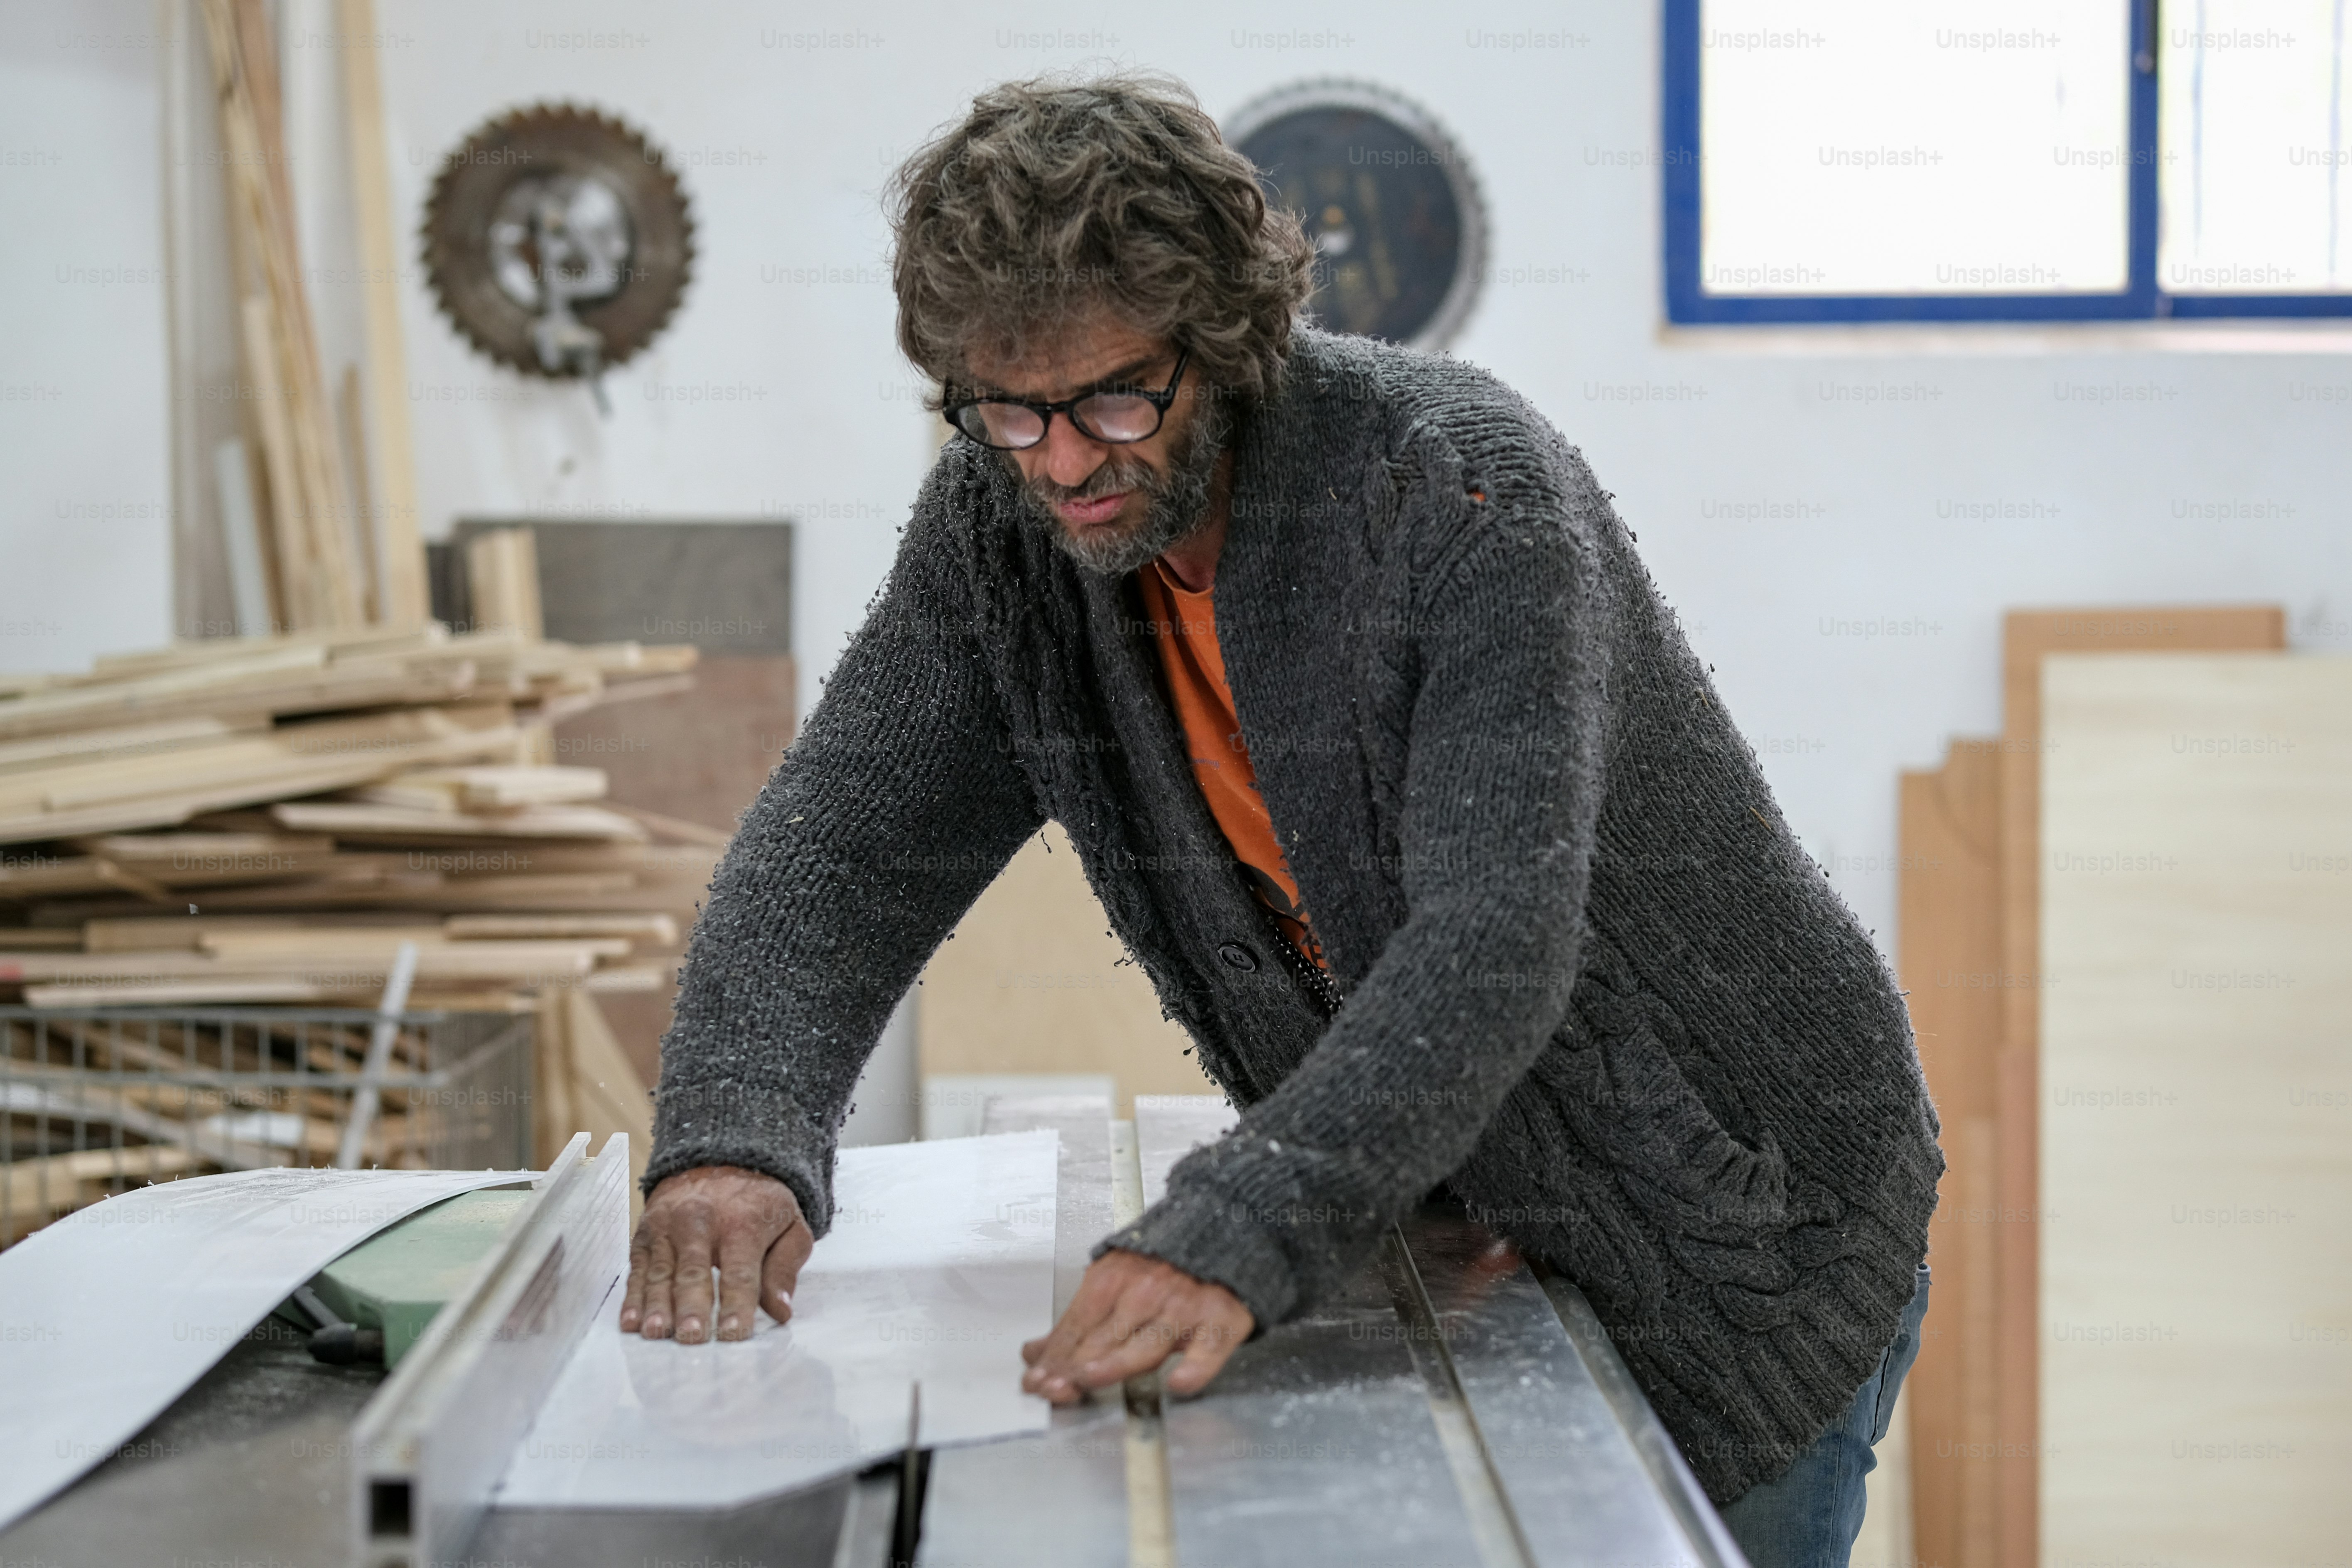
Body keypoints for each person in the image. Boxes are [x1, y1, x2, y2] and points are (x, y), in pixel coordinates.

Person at [616, 72, 1942, 1568]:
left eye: (1116, 397)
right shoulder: (1006, 533)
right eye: (1005, 408)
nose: (1060, 461)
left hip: (1740, 1219)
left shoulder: (1456, 494)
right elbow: (838, 851)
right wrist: (734, 1136)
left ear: (1229, 343)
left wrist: (1238, 1224)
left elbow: (1493, 945)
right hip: (1471, 1209)